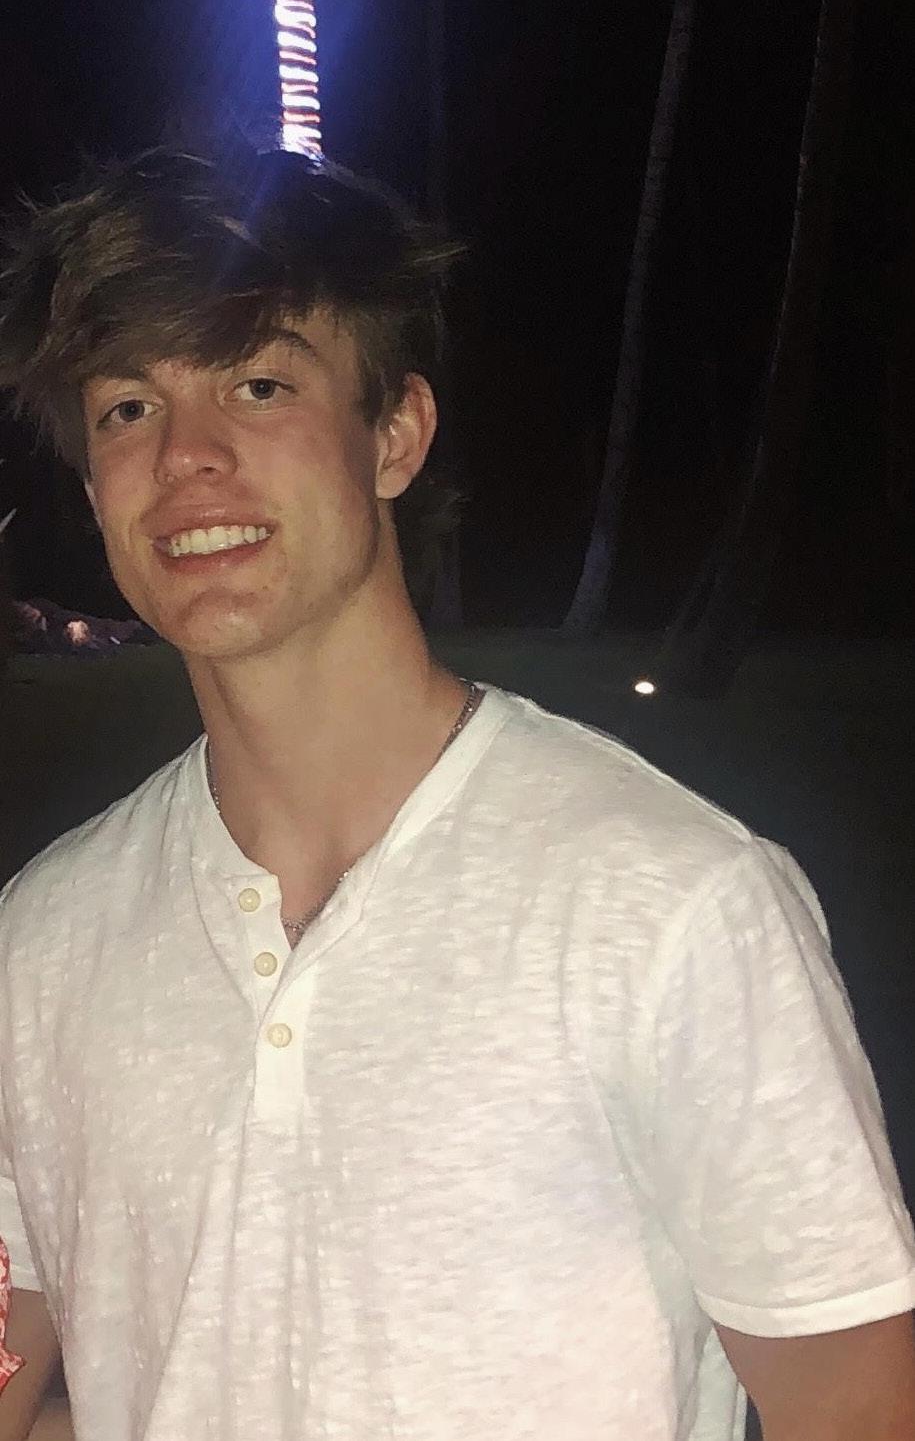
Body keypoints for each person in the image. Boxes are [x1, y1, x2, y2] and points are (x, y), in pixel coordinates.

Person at [0, 143, 913, 1441]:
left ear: (395, 435)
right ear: (93, 486)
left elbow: (863, 1405)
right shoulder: (42, 939)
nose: (188, 454)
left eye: (260, 385)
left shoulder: (670, 905)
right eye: (128, 408)